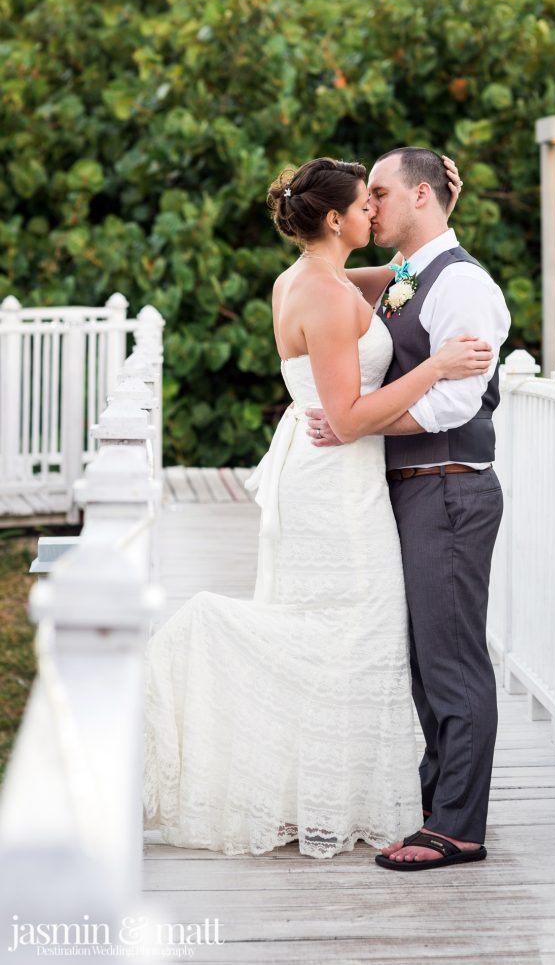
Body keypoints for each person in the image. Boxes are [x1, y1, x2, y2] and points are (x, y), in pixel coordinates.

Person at [143, 155, 493, 859]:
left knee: (336, 627)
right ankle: (206, 644)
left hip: (326, 475)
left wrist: (442, 207)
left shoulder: (315, 278)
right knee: (351, 633)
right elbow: (351, 414)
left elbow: (406, 278)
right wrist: (433, 366)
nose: (374, 213)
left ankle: (308, 792)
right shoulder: (329, 297)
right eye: (366, 204)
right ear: (336, 218)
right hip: (337, 485)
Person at [307, 147, 511, 870]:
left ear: (421, 197)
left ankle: (458, 826)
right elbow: (342, 280)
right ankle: (439, 807)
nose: (372, 207)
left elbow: (455, 397)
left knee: (452, 662)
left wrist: (359, 420)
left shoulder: (462, 286)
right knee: (428, 663)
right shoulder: (409, 277)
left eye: (383, 193)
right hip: (418, 486)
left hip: (450, 485)